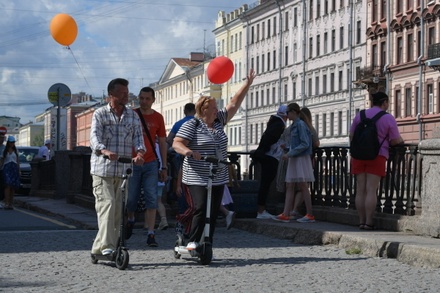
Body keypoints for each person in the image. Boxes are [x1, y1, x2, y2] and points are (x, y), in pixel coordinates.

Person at [172, 68, 255, 250]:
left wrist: (247, 84)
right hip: (196, 175)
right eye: (215, 107)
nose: (218, 109)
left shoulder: (218, 122)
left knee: (213, 210)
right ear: (204, 109)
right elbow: (177, 143)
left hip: (217, 174)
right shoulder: (192, 124)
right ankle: (192, 239)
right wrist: (189, 152)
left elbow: (234, 104)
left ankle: (207, 241)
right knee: (200, 207)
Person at [89, 78, 146, 256]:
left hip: (123, 171)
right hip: (102, 170)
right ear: (111, 94)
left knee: (117, 212)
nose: (126, 96)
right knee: (108, 205)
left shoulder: (132, 115)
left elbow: (138, 138)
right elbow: (94, 138)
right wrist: (104, 150)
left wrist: (140, 153)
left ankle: (100, 249)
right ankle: (108, 247)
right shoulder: (100, 114)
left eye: (127, 92)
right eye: (122, 93)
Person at [350, 92, 403, 230]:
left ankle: (361, 221)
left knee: (360, 190)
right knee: (371, 190)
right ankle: (368, 222)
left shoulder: (360, 115)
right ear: (384, 102)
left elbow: (351, 135)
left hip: (358, 156)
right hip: (377, 155)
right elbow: (395, 140)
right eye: (388, 102)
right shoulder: (387, 118)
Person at [125, 86, 167, 248]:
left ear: (153, 100)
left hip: (150, 163)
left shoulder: (158, 118)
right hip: (133, 162)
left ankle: (151, 233)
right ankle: (130, 219)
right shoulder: (131, 115)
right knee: (131, 199)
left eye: (147, 99)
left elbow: (162, 142)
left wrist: (164, 167)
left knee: (151, 198)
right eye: (141, 98)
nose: (144, 101)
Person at [274, 103, 316, 223]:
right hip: (295, 157)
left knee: (302, 185)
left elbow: (305, 143)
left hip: (300, 158)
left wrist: (290, 153)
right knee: (290, 185)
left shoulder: (300, 125)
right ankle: (286, 213)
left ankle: (310, 214)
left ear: (293, 112)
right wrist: (286, 148)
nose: (287, 115)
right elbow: (297, 144)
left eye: (288, 112)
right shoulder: (294, 125)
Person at [252, 104, 288, 219]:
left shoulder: (275, 122)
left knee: (265, 183)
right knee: (266, 184)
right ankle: (261, 211)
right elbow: (269, 139)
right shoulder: (279, 124)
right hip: (271, 157)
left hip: (267, 156)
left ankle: (262, 210)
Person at [2, 136, 20, 210]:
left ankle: (11, 203)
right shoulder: (4, 151)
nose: (12, 143)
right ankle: (6, 203)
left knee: (12, 186)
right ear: (8, 142)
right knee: (7, 185)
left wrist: (19, 170)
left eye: (13, 142)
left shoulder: (16, 151)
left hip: (14, 169)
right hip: (6, 168)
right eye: (11, 142)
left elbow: (18, 161)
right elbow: (2, 160)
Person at [0, 126, 7, 203]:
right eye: (1, 138)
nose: (2, 139)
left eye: (3, 138)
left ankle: (1, 200)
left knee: (2, 185)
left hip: (3, 169)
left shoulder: (5, 148)